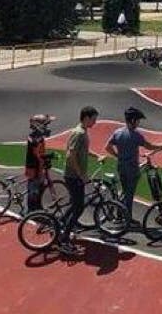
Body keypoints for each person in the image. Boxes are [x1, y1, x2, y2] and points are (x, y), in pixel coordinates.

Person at [105, 107, 162, 221]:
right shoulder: (136, 135)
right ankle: (127, 219)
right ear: (133, 120)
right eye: (138, 120)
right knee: (129, 194)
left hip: (121, 166)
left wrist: (118, 156)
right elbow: (149, 146)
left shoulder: (118, 132)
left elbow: (107, 147)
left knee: (125, 191)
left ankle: (120, 215)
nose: (138, 123)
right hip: (132, 168)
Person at [61, 106, 101, 252]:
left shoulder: (83, 132)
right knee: (78, 207)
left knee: (76, 204)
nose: (95, 123)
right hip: (73, 176)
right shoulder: (78, 133)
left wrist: (96, 156)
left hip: (75, 176)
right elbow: (70, 155)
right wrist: (81, 175)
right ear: (86, 118)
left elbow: (82, 151)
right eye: (94, 119)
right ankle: (64, 240)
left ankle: (61, 224)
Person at [25, 113, 56, 214]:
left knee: (40, 187)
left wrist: (46, 158)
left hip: (39, 166)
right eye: (46, 125)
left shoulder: (40, 138)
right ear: (39, 126)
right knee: (34, 190)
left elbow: (40, 153)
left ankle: (38, 208)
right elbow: (37, 154)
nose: (47, 128)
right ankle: (31, 211)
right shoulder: (34, 139)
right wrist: (46, 157)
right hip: (34, 168)